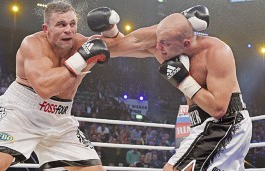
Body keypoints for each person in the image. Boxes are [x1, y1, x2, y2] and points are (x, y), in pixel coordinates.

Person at [0, 1, 124, 171]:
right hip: (21, 113)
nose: (68, 30)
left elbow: (132, 45)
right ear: (46, 29)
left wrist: (111, 29)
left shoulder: (82, 44)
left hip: (59, 118)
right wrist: (81, 59)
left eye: (72, 24)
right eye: (61, 24)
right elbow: (44, 89)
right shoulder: (33, 44)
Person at [107, 6, 251, 171]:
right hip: (203, 125)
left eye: (165, 43)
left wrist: (183, 80)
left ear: (186, 43)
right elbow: (126, 46)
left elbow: (218, 109)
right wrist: (109, 34)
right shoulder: (168, 45)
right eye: (158, 41)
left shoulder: (216, 52)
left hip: (226, 123)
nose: (158, 48)